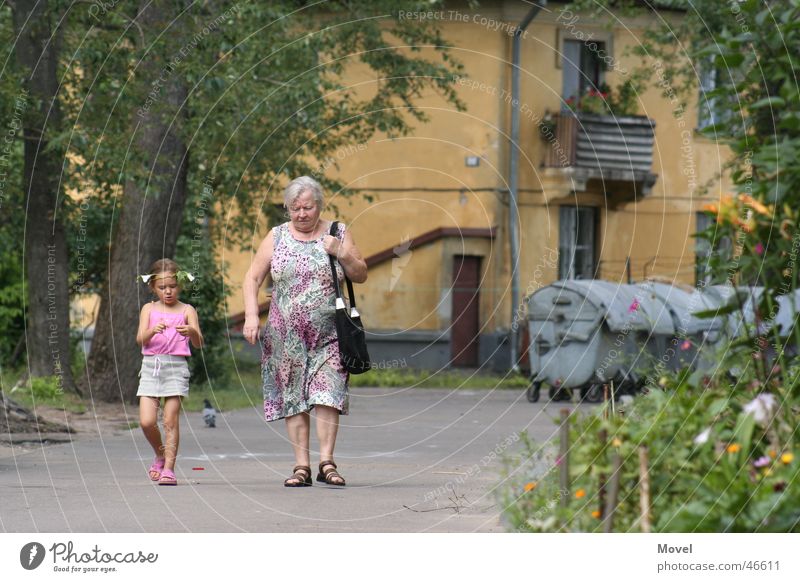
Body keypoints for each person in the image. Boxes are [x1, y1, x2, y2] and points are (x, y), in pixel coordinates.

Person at [243, 176, 367, 487]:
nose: (301, 214)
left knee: (328, 394)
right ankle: (302, 466)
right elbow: (252, 278)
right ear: (287, 209)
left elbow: (361, 274)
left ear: (319, 206)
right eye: (294, 208)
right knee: (294, 397)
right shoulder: (276, 237)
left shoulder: (337, 232)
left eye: (307, 208)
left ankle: (327, 462)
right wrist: (250, 316)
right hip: (285, 336)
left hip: (330, 335)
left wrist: (341, 252)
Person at [136, 259, 204, 486]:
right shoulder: (149, 309)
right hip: (151, 367)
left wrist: (192, 331)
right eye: (162, 287)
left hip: (176, 368)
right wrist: (151, 331)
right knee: (147, 421)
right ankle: (160, 453)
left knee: (169, 420)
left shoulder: (187, 310)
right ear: (153, 288)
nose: (168, 291)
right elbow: (140, 340)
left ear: (180, 285)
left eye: (172, 286)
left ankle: (169, 469)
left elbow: (198, 343)